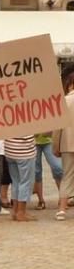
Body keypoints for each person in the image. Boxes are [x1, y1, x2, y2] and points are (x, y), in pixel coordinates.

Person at [52, 65, 74, 220]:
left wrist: (55, 146)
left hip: (67, 143)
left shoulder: (64, 101)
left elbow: (57, 127)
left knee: (67, 176)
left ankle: (61, 209)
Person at [5, 135, 37, 221]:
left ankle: (15, 211)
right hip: (24, 151)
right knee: (25, 182)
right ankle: (21, 212)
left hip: (9, 149)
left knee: (16, 182)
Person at [33, 133, 63, 210]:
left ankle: (63, 198)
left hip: (49, 140)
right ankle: (40, 200)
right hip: (33, 141)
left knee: (57, 168)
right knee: (36, 171)